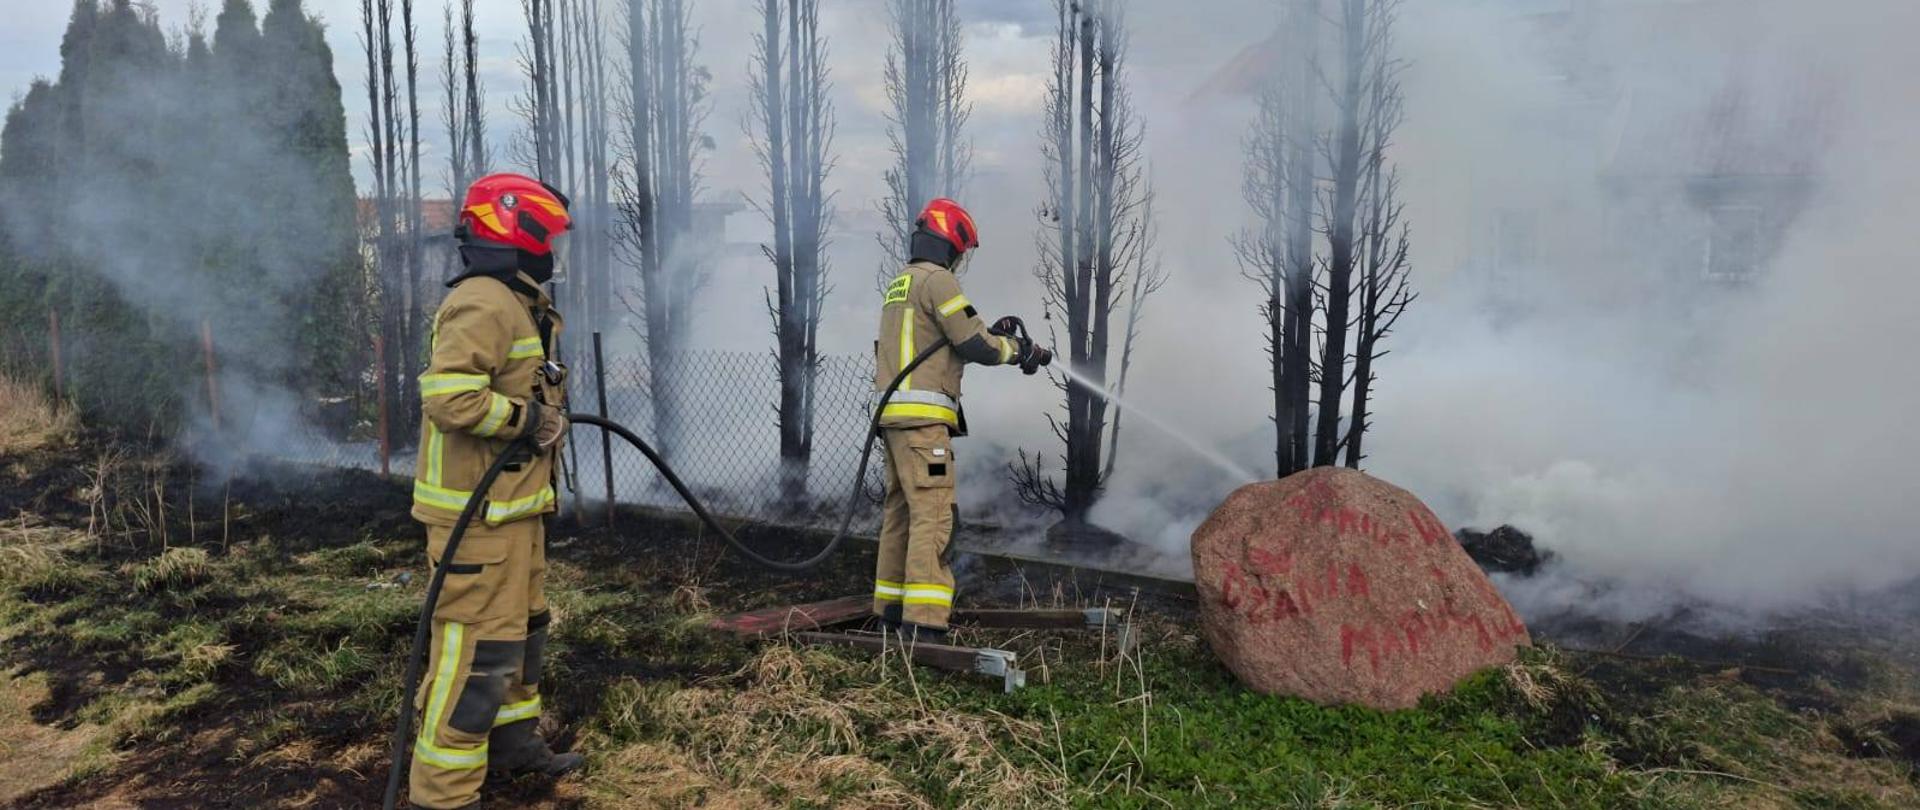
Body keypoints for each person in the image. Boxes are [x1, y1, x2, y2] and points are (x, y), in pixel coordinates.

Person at [407, 173, 581, 809]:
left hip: (513, 515)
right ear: (517, 233)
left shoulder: (515, 302)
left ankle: (511, 746)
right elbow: (449, 397)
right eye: (547, 237)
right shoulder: (483, 300)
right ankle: (445, 794)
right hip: (475, 521)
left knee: (520, 633)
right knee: (476, 650)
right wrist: (527, 421)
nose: (553, 251)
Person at [871, 198, 1051, 642]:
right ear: (950, 241)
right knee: (934, 516)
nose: (960, 259)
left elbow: (946, 340)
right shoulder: (939, 280)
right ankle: (925, 624)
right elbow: (975, 343)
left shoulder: (902, 282)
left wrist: (997, 333)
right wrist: (1018, 351)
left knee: (901, 513)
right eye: (961, 250)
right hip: (924, 425)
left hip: (895, 420)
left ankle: (890, 611)